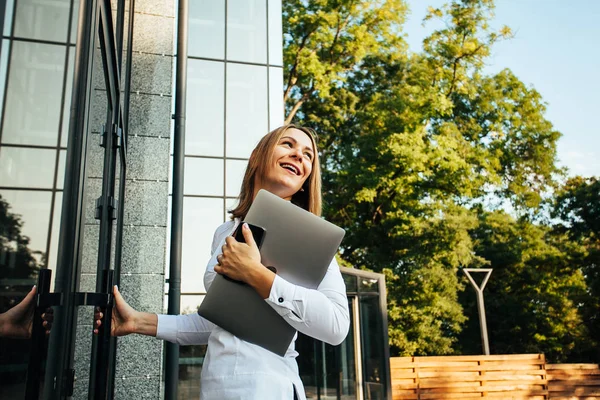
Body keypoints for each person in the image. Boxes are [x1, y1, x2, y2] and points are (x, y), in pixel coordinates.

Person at [95, 124, 350, 399]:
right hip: (217, 387)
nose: (299, 156)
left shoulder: (309, 237)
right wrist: (138, 322)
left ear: (306, 180)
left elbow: (336, 326)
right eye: (288, 144)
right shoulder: (225, 232)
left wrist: (257, 275)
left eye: (308, 154)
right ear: (257, 156)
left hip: (268, 387)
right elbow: (219, 324)